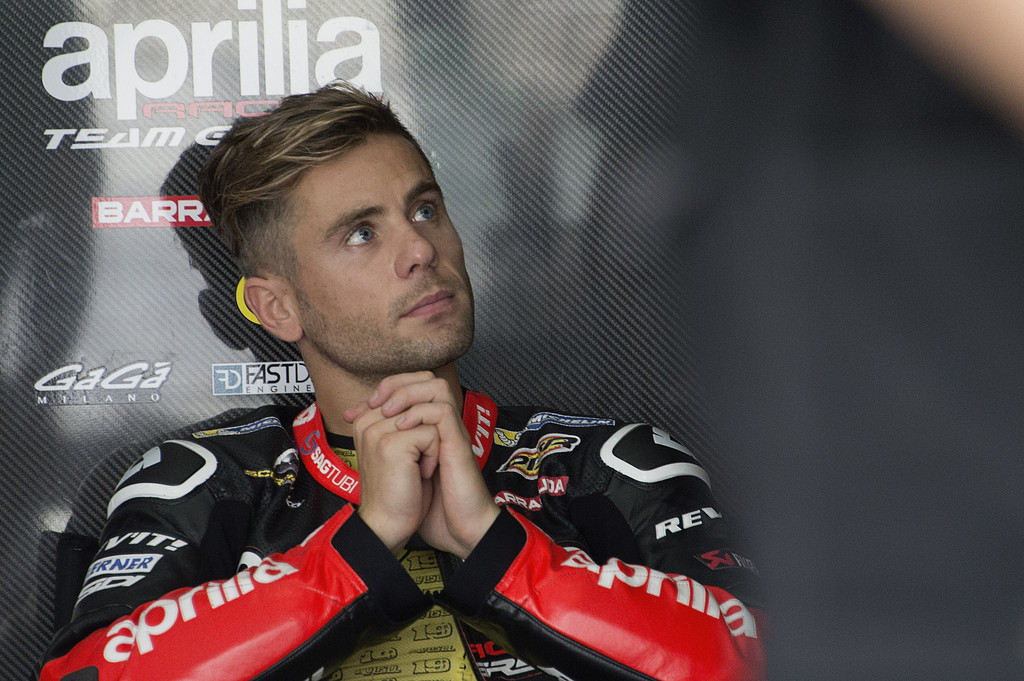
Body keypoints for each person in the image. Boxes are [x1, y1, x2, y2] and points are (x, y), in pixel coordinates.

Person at [37, 82, 765, 681]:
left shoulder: (611, 464)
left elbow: (762, 658)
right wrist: (359, 546)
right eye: (362, 232)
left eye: (425, 209)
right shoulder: (202, 481)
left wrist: (496, 546)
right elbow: (88, 674)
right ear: (277, 306)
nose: (420, 248)